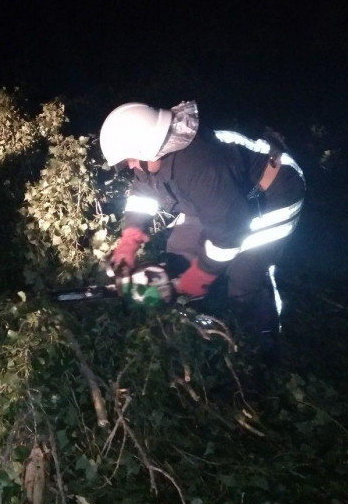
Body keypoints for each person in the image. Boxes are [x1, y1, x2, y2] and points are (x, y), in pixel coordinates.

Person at [100, 101, 305, 362]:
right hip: (221, 199)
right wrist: (130, 237)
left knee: (245, 280)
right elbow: (142, 195)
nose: (130, 166)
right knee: (178, 256)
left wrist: (201, 274)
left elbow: (229, 233)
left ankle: (265, 348)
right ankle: (191, 327)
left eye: (130, 159)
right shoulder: (151, 158)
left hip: (274, 192)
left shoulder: (201, 164)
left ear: (147, 149)